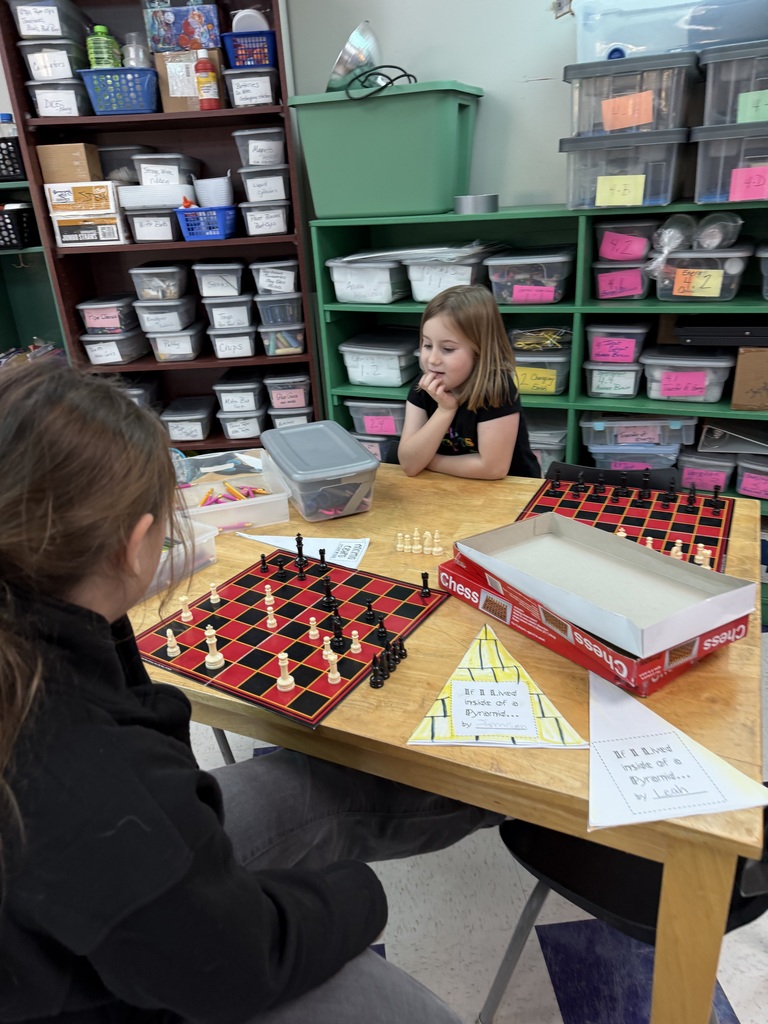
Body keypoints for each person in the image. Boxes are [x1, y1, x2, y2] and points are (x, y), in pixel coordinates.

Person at [0, 361, 502, 1024]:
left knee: (309, 790)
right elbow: (239, 967)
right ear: (136, 544)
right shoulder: (90, 772)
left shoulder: (35, 639)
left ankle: (496, 802)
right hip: (113, 991)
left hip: (77, 913)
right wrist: (360, 894)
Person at [398, 285, 541, 480]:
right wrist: (445, 411)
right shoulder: (423, 386)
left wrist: (426, 460)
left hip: (511, 489)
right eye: (427, 345)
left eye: (448, 349)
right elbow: (409, 464)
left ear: (479, 351)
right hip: (450, 485)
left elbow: (493, 469)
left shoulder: (497, 388)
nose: (432, 359)